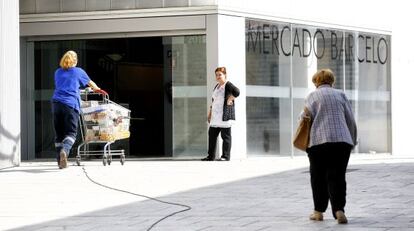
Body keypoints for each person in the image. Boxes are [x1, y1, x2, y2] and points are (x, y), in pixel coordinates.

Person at [303, 69, 357, 224]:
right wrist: (351, 140)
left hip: (318, 142)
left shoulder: (312, 96)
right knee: (338, 177)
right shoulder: (341, 95)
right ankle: (339, 210)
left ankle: (318, 212)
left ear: (316, 82)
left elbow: (304, 118)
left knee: (318, 177)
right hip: (341, 142)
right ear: (331, 81)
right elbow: (350, 120)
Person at [52, 50, 101, 169]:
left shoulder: (57, 72)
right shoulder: (78, 71)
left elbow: (64, 85)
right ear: (75, 61)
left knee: (59, 134)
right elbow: (91, 83)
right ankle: (65, 150)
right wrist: (97, 89)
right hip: (70, 104)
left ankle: (60, 161)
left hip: (56, 103)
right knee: (71, 133)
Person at [201, 67, 240, 161]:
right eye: (217, 75)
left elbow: (237, 92)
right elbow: (213, 101)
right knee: (212, 136)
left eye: (220, 75)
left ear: (225, 75)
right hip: (215, 116)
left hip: (224, 116)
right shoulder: (217, 86)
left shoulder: (228, 85)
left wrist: (230, 99)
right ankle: (211, 156)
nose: (218, 77)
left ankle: (225, 156)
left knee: (225, 137)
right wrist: (210, 113)